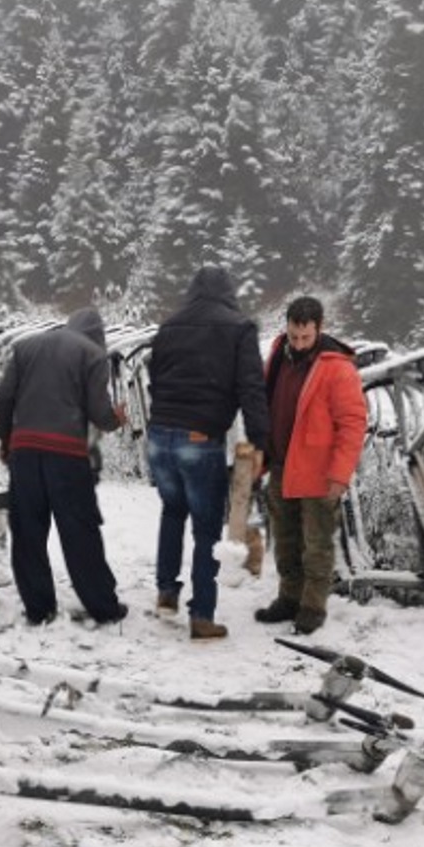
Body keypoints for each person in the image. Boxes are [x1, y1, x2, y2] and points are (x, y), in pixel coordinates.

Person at [145, 266, 269, 640]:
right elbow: (251, 389)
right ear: (228, 292)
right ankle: (202, 614)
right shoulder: (240, 328)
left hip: (158, 435)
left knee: (172, 511)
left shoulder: (169, 326)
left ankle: (167, 591)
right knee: (205, 529)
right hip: (199, 439)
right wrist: (260, 442)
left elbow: (155, 378)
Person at [0, 307, 129, 626]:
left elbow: (2, 397)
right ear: (98, 336)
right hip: (66, 455)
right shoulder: (92, 354)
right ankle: (102, 606)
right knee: (79, 531)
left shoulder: (26, 347)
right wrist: (115, 420)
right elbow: (99, 411)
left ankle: (39, 609)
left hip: (24, 452)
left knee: (27, 532)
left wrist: (6, 439)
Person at [255, 296, 367, 635]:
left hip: (319, 471)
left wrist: (339, 474)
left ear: (319, 329)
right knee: (286, 540)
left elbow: (353, 423)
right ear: (287, 327)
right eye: (294, 336)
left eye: (306, 337)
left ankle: (312, 606)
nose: (299, 343)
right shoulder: (277, 354)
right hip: (280, 464)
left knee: (317, 544)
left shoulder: (338, 368)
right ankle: (288, 598)